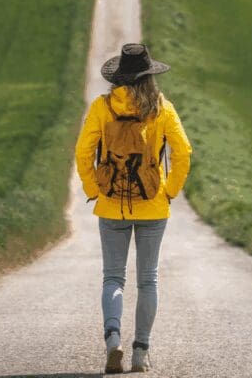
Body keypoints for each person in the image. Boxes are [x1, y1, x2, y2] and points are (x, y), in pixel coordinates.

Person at [75, 43, 192, 374]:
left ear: (118, 77)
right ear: (149, 76)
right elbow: (183, 152)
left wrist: (94, 190)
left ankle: (113, 340)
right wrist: (169, 191)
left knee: (113, 277)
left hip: (111, 205)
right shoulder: (161, 108)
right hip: (153, 205)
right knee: (148, 280)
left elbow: (83, 153)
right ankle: (141, 352)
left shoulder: (102, 107)